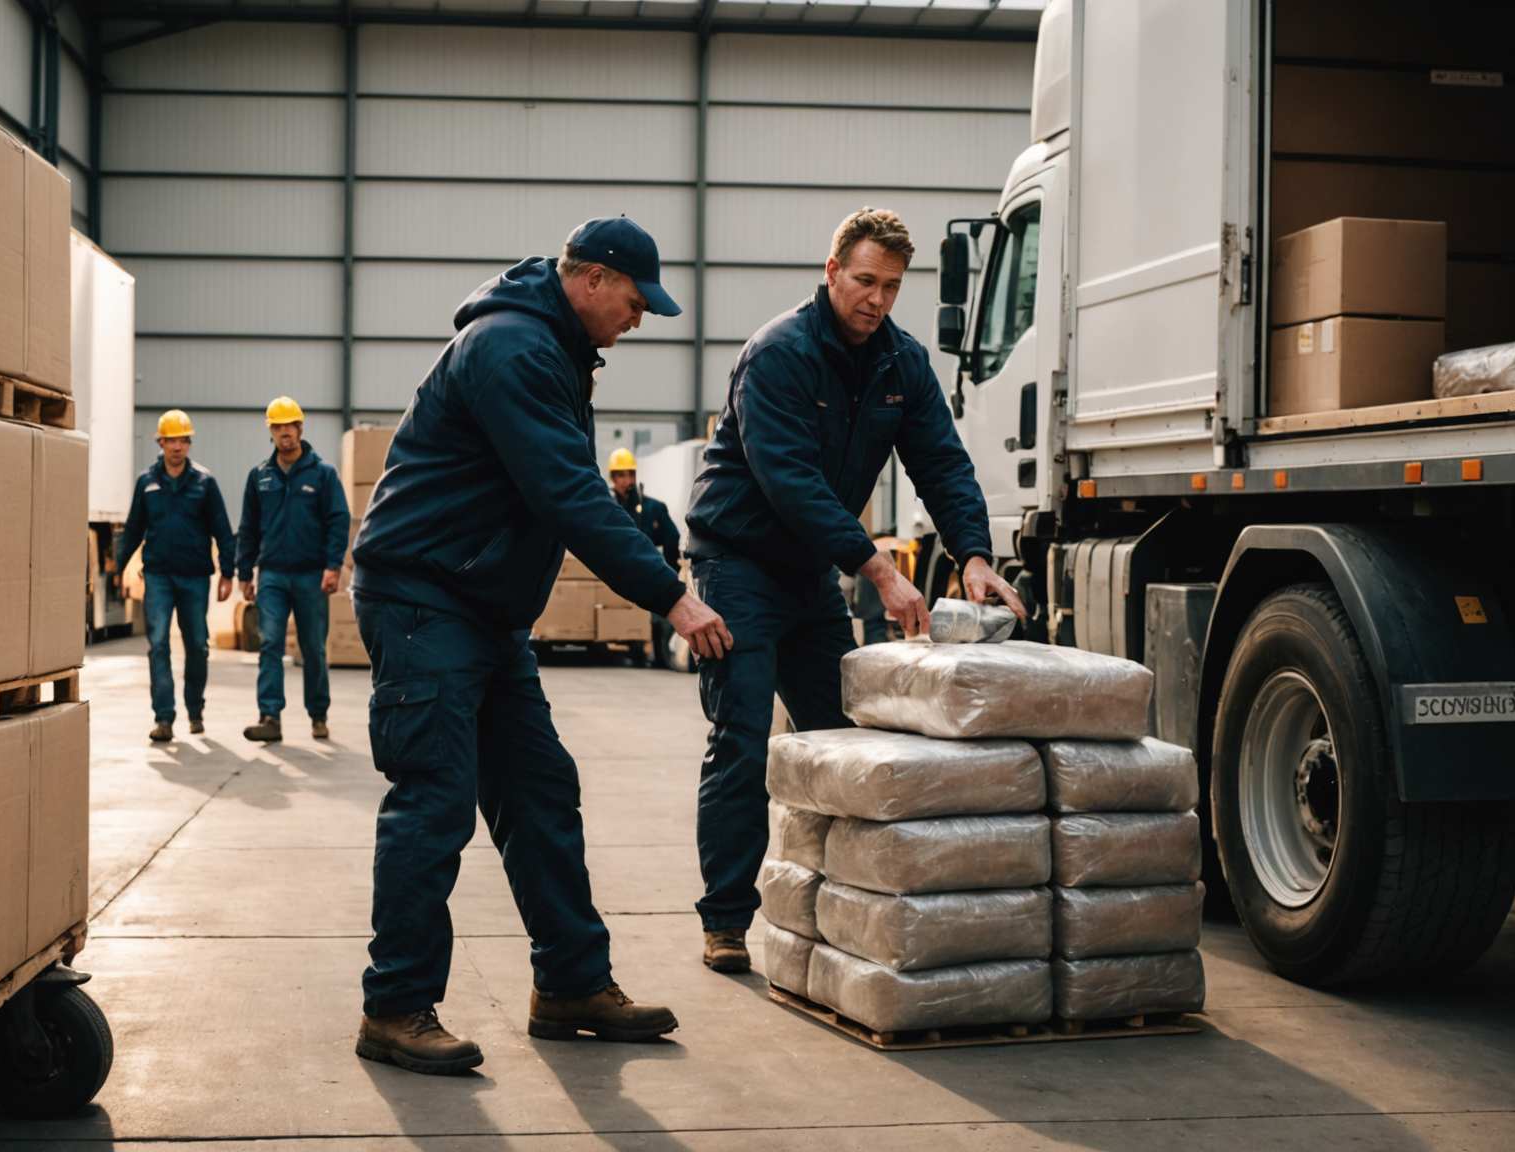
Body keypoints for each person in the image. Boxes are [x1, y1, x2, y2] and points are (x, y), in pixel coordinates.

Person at [347, 216, 734, 1076]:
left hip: (479, 609)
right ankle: (396, 1006)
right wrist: (673, 599)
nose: (639, 319)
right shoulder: (515, 349)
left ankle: (570, 984)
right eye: (636, 302)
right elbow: (569, 493)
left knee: (540, 792)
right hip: (425, 598)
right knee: (435, 800)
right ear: (592, 280)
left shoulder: (552, 349)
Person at [683, 207, 1026, 973]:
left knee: (846, 739)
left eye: (893, 287)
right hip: (738, 566)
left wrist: (973, 554)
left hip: (808, 569)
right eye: (865, 280)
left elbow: (941, 461)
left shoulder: (900, 363)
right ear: (832, 271)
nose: (877, 298)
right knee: (743, 741)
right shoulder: (778, 355)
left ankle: (842, 903)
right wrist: (877, 568)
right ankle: (726, 919)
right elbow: (790, 481)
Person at [114, 409, 235, 742]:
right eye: (171, 440)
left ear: (189, 443)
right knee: (157, 645)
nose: (177, 447)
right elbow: (134, 529)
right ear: (161, 442)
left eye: (182, 440)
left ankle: (195, 709)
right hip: (158, 578)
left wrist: (228, 572)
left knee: (198, 645)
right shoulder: (147, 483)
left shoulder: (205, 483)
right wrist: (118, 569)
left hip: (195, 577)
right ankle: (164, 718)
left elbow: (223, 530)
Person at [235, 397, 351, 744]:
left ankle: (318, 715)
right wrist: (244, 573)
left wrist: (333, 566)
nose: (285, 432)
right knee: (270, 643)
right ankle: (270, 716)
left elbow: (338, 520)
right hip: (271, 574)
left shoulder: (323, 474)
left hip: (311, 575)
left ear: (300, 428)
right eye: (278, 427)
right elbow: (249, 527)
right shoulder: (260, 476)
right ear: (271, 432)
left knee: (312, 647)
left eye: (290, 426)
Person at [606, 446, 683, 667]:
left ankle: (660, 657)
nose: (627, 480)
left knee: (660, 620)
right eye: (621, 475)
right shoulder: (609, 508)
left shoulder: (653, 508)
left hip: (648, 573)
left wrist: (669, 573)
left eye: (630, 474)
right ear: (613, 477)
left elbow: (672, 538)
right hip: (620, 574)